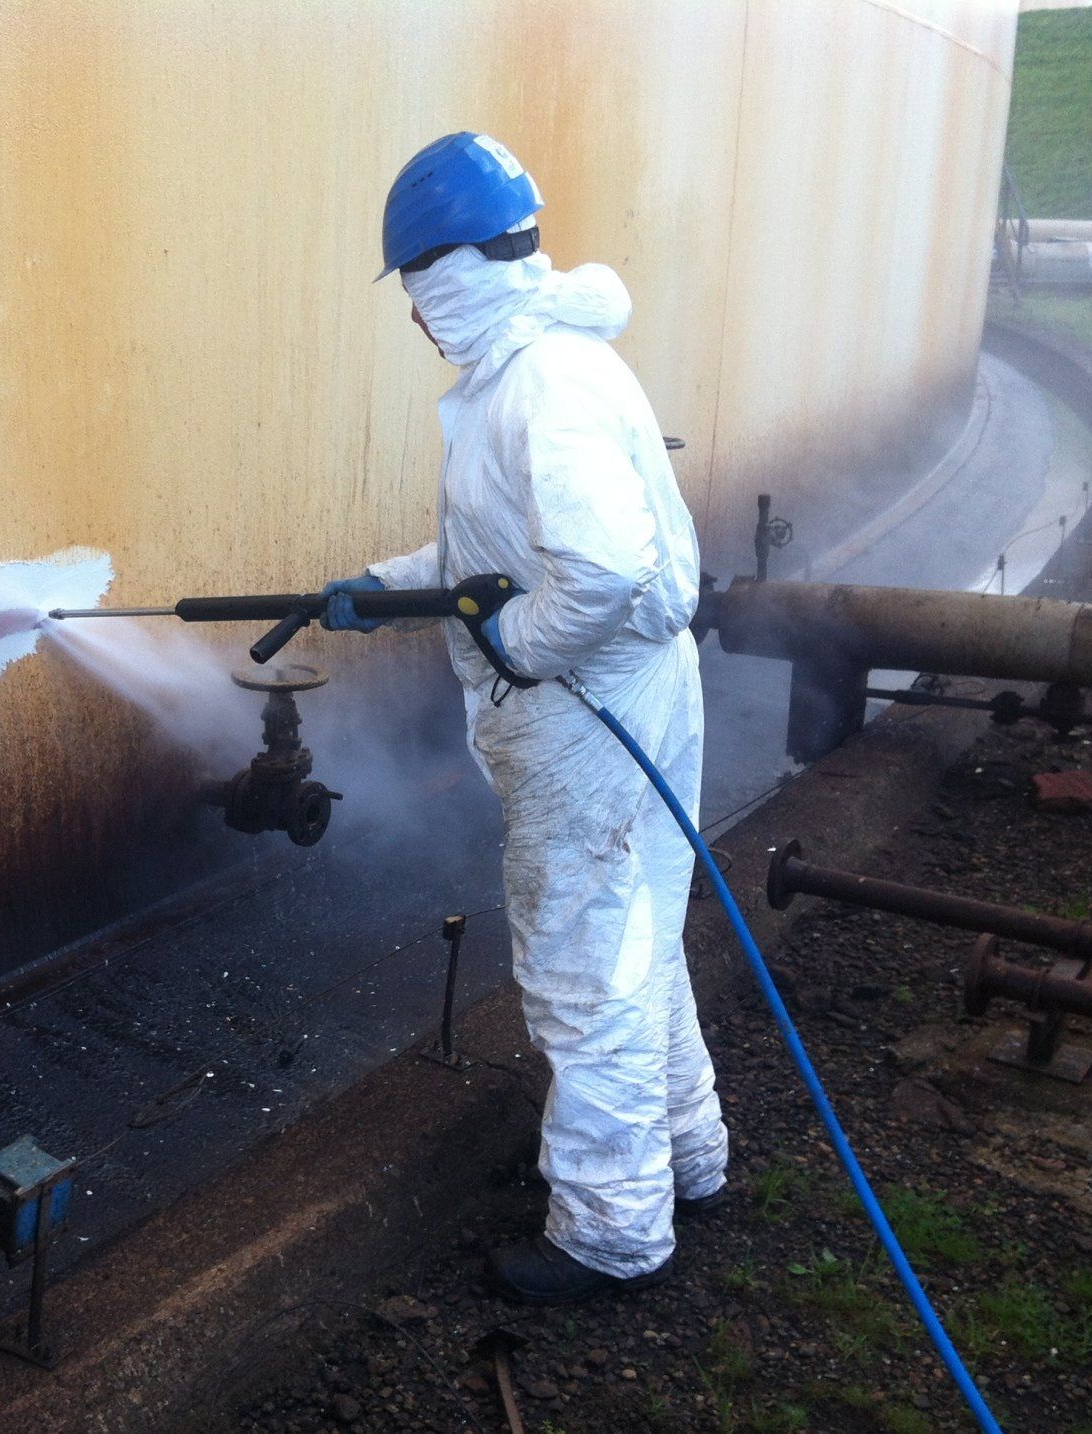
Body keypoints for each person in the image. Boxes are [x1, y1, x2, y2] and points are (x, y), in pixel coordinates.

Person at [323, 133, 730, 1305]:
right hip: (635, 693)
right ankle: (688, 1155)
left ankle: (609, 1233)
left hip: (591, 713)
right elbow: (500, 547)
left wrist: (521, 653)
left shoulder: (541, 387)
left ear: (452, 270)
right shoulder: (544, 365)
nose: (413, 316)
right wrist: (385, 588)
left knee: (583, 968)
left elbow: (597, 573)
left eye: (416, 287)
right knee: (640, 940)